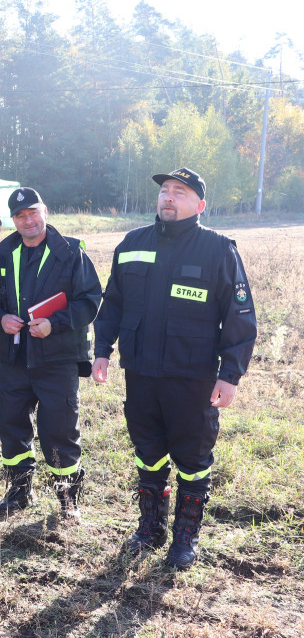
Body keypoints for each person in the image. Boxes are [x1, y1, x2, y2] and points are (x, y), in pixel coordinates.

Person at [92, 168, 257, 570]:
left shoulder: (218, 249)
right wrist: (101, 350)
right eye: (165, 190)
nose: (168, 197)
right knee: (148, 453)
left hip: (193, 377)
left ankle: (185, 537)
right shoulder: (131, 244)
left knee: (193, 457)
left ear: (199, 205)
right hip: (142, 373)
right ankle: (150, 528)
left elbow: (240, 316)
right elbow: (112, 303)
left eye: (179, 192)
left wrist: (230, 374)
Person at [0, 187, 102, 521]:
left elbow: (91, 299)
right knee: (11, 427)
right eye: (21, 216)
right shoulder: (3, 255)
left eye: (33, 213)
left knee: (59, 431)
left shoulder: (71, 252)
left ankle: (68, 499)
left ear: (45, 212)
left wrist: (56, 323)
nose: (28, 220)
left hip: (57, 359)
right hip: (15, 359)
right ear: (14, 220)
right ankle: (19, 492)